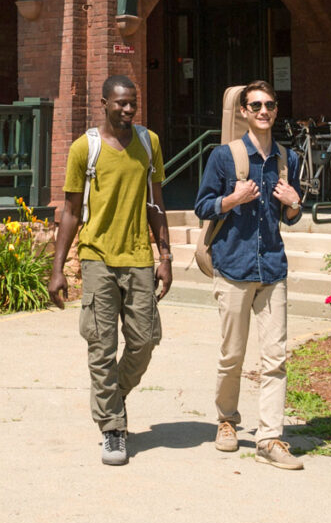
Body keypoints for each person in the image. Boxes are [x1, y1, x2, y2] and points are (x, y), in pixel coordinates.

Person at [47, 75, 172, 467]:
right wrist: (58, 268)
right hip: (97, 257)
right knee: (101, 347)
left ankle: (109, 399)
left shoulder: (149, 144)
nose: (129, 109)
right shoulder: (87, 147)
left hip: (138, 258)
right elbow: (69, 211)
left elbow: (157, 205)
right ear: (103, 103)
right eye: (120, 103)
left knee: (146, 339)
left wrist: (165, 256)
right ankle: (113, 429)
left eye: (133, 103)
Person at [193, 79, 306, 470]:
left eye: (269, 105)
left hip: (272, 268)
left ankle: (270, 438)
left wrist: (295, 204)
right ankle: (227, 420)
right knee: (233, 355)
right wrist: (232, 199)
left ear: (276, 110)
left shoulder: (285, 159)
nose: (263, 111)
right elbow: (203, 207)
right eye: (255, 105)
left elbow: (287, 216)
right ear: (243, 111)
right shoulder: (224, 158)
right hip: (234, 267)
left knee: (275, 358)